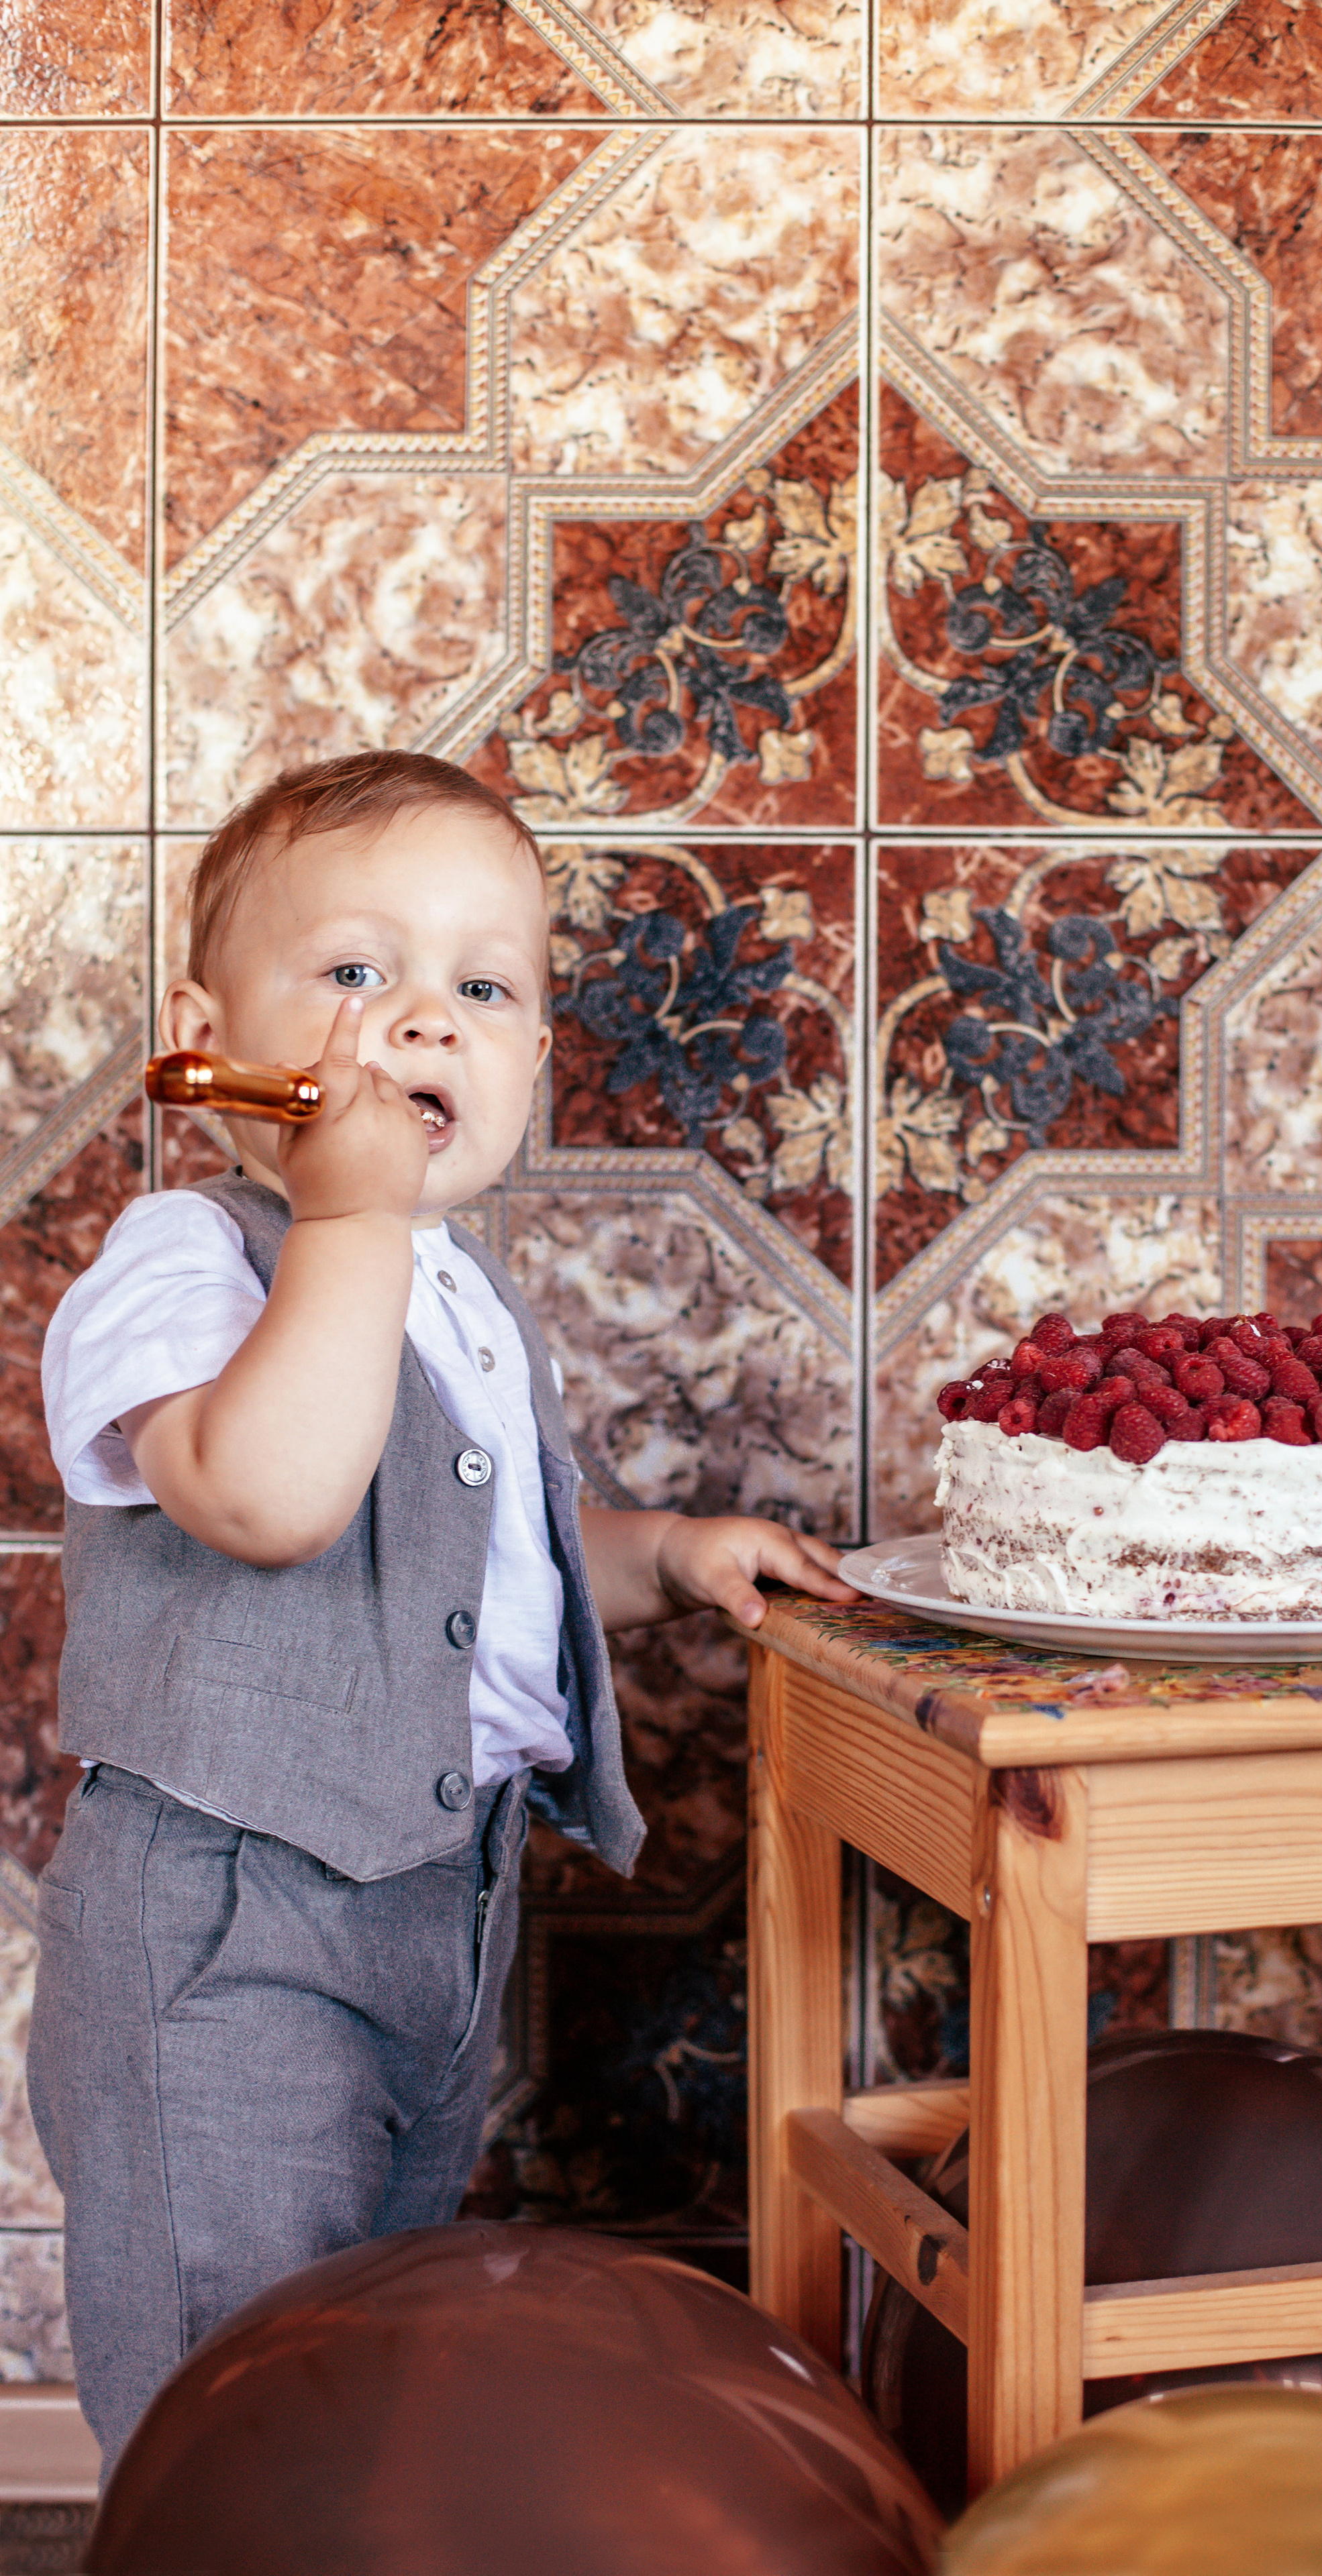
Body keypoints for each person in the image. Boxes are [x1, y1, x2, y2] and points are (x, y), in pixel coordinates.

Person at [30, 749, 858, 2469]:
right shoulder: (187, 1257)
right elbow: (271, 1500)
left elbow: (477, 1578)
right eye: (354, 974)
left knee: (365, 2351)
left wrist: (666, 1557)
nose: (422, 1020)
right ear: (206, 1033)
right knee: (236, 2384)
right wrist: (346, 1213)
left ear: (530, 1063)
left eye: (481, 989)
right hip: (222, 1928)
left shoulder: (456, 1294)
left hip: (437, 1920)